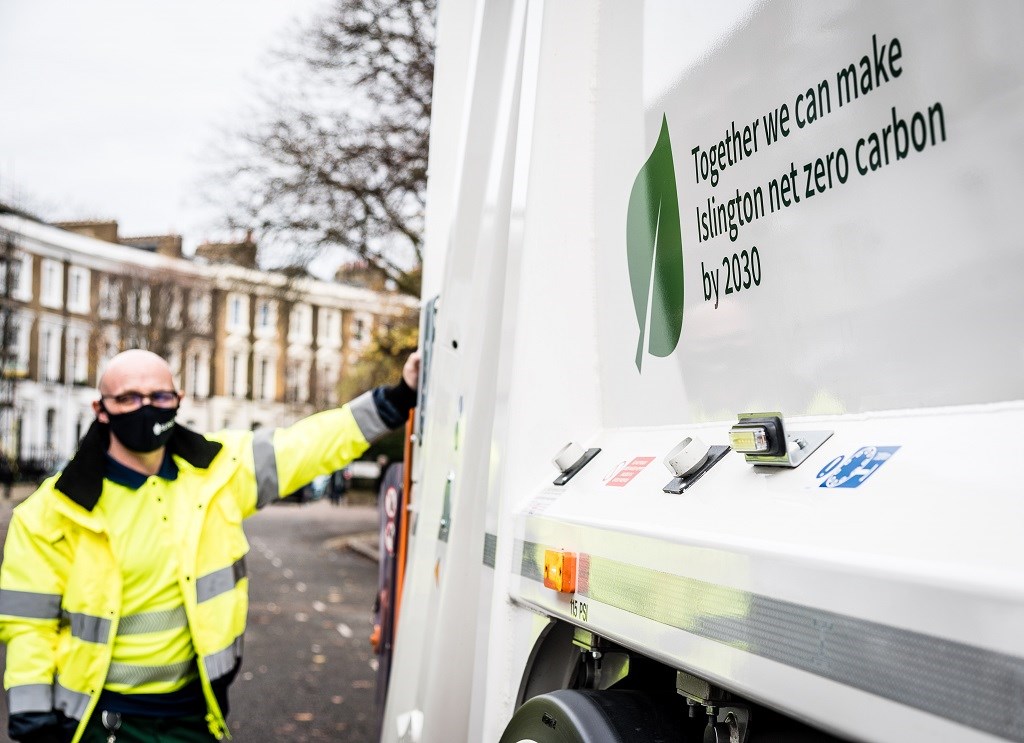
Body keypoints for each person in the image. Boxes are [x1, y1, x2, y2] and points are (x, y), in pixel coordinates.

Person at [0, 348, 420, 743]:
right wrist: (33, 719)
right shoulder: (51, 511)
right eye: (128, 398)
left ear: (178, 399)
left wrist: (397, 397)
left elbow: (308, 445)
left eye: (159, 395)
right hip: (99, 721)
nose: (145, 408)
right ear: (101, 409)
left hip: (195, 716)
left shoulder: (220, 471)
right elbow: (28, 627)